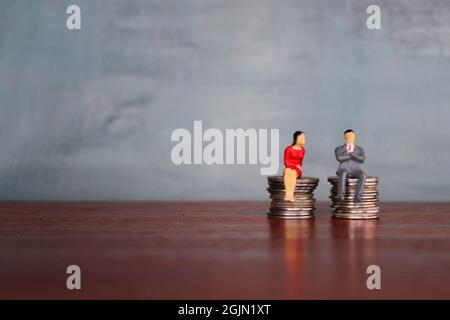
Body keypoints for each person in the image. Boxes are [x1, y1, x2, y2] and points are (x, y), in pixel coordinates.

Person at [334, 129, 367, 202]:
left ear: (355, 137)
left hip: (356, 169)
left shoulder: (360, 149)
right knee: (344, 172)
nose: (350, 137)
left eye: (352, 135)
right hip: (343, 168)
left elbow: (362, 159)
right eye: (348, 135)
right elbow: (339, 158)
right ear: (345, 137)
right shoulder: (339, 148)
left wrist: (352, 154)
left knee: (363, 175)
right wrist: (350, 155)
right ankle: (340, 195)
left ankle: (358, 196)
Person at [283, 131, 305, 202]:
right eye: (301, 137)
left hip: (297, 170)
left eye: (303, 137)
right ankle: (288, 194)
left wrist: (298, 166)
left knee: (293, 173)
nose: (303, 139)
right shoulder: (288, 149)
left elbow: (300, 162)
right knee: (288, 171)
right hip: (288, 167)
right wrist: (295, 165)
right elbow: (286, 162)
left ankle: (290, 194)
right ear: (296, 138)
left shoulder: (303, 150)